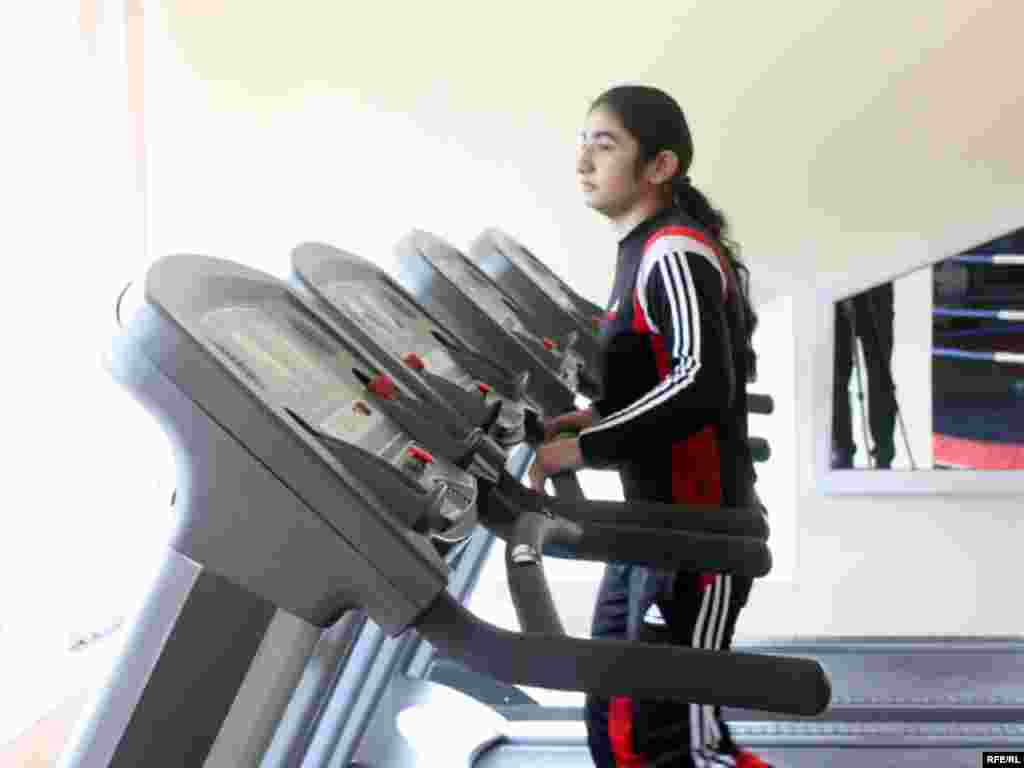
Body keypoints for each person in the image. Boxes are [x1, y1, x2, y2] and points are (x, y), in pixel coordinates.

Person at [527, 84, 772, 768]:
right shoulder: (640, 250)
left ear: (660, 166)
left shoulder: (674, 250)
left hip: (701, 535)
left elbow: (700, 383)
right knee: (618, 726)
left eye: (604, 146)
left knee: (679, 747)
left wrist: (584, 448)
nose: (583, 162)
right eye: (582, 143)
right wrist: (591, 418)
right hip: (652, 529)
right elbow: (661, 379)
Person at [831, 282, 896, 469]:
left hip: (876, 292)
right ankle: (842, 449)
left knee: (880, 375)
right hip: (837, 290)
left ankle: (883, 451)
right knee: (837, 377)